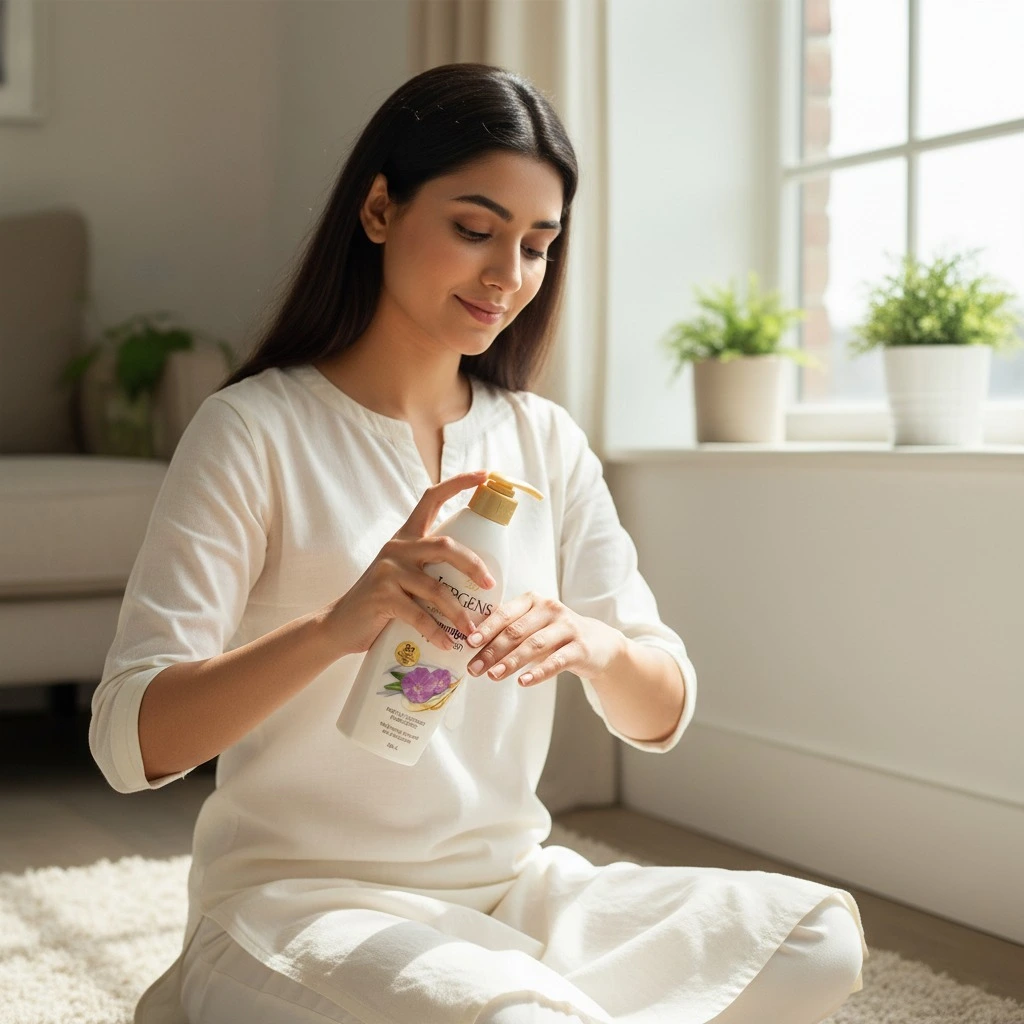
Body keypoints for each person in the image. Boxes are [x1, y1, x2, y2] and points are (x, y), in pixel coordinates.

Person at [89, 62, 868, 1024]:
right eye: (474, 229)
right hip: (297, 909)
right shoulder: (253, 429)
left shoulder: (543, 439)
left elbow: (661, 708)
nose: (510, 274)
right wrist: (336, 626)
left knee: (816, 939)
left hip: (512, 895)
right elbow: (130, 741)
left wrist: (596, 645)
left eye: (539, 245)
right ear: (379, 209)